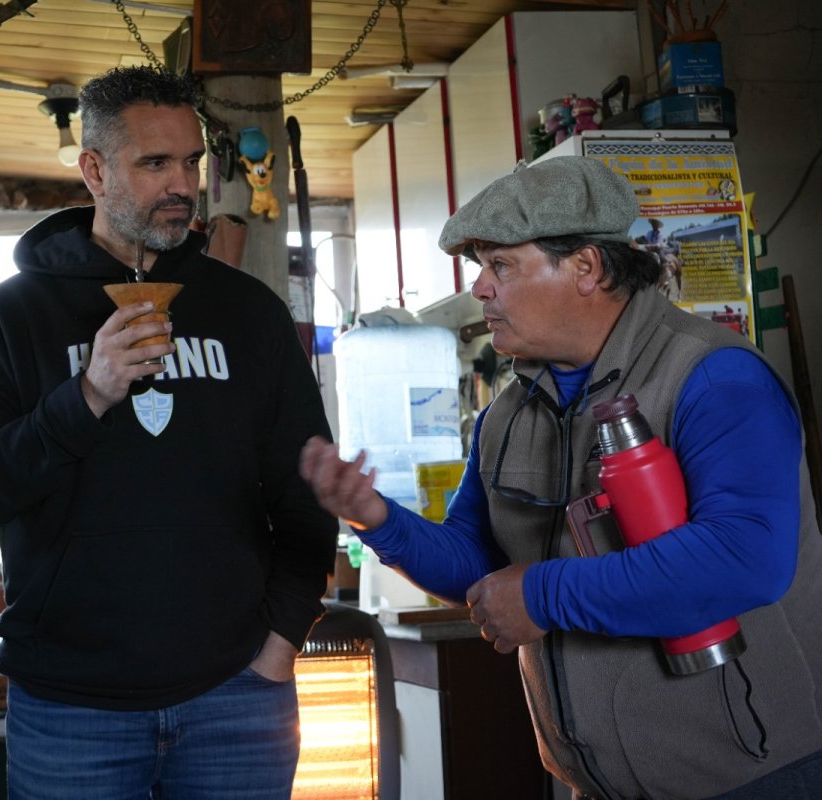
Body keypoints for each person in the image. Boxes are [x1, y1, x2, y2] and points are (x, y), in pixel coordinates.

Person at [299, 156, 822, 799]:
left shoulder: (714, 377)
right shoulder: (508, 412)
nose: (481, 290)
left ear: (585, 267)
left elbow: (746, 560)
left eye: (501, 266)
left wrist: (544, 596)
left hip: (749, 776)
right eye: (479, 269)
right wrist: (375, 519)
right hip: (593, 783)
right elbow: (479, 567)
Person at [0, 66, 336, 799]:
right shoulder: (14, 314)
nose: (181, 184)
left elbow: (308, 489)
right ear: (93, 169)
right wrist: (87, 395)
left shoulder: (248, 312)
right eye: (154, 163)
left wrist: (281, 643)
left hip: (236, 699)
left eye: (191, 161)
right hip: (69, 708)